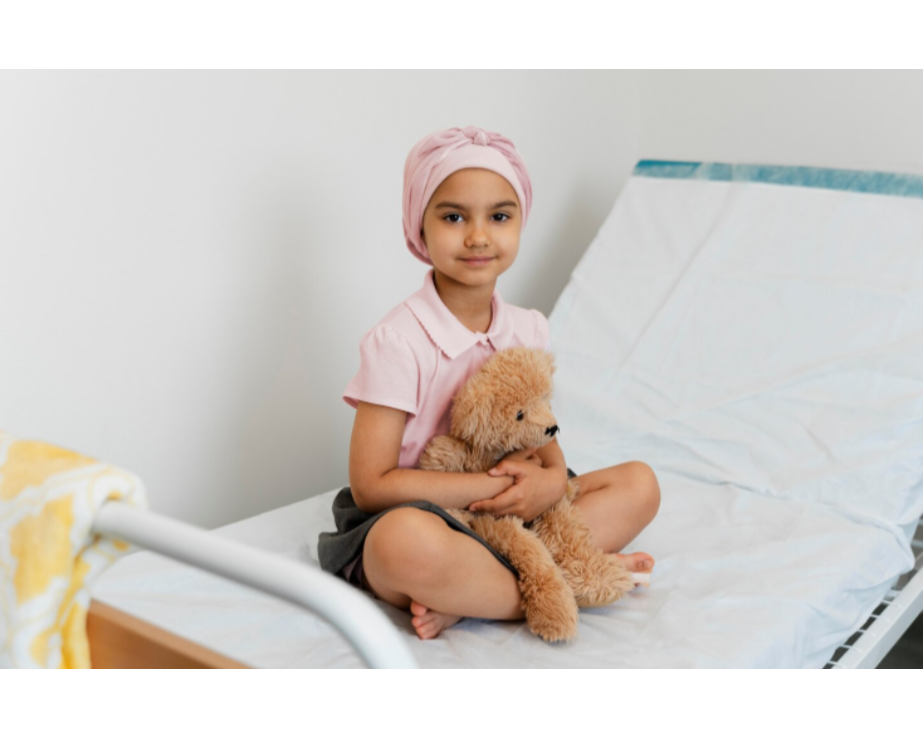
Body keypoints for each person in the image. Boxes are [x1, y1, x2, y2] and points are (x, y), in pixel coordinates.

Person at [319, 126, 660, 640]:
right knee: (400, 545)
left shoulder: (528, 328)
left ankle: (475, 597)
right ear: (420, 227)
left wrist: (550, 480)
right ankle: (562, 581)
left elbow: (540, 436)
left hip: (516, 513)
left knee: (639, 484)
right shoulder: (398, 340)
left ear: (520, 223)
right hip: (427, 514)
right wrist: (495, 488)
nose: (478, 236)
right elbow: (371, 486)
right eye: (453, 217)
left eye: (499, 217)